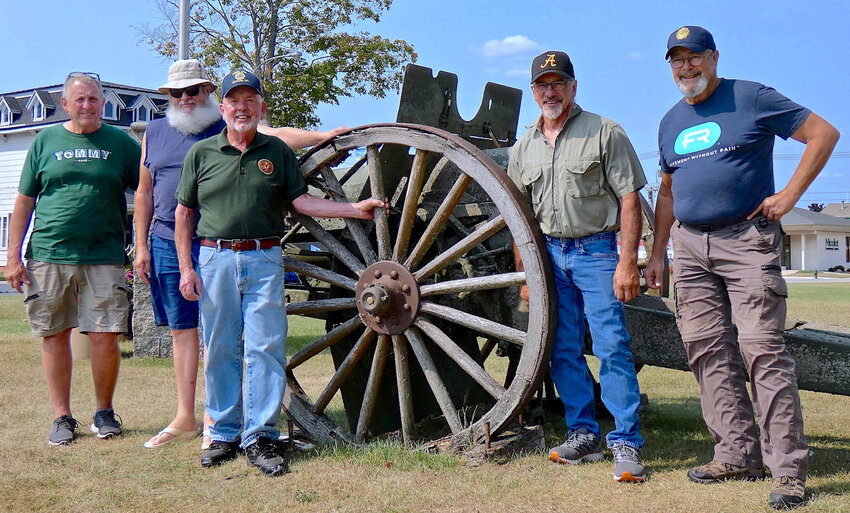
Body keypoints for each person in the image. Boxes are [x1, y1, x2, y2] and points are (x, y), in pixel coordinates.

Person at [644, 26, 839, 509]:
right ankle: (735, 453)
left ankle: (787, 471)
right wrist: (657, 252)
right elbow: (667, 194)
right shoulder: (670, 122)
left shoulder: (749, 97)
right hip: (689, 248)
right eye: (676, 61)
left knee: (762, 351)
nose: (685, 68)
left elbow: (822, 133)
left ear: (713, 57)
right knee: (707, 351)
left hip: (745, 241)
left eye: (693, 58)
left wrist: (789, 196)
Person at [175, 69, 385, 476]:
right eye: (234, 100)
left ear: (261, 107)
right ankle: (223, 434)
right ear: (223, 109)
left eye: (249, 100)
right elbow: (183, 215)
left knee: (265, 348)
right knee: (219, 348)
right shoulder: (201, 155)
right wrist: (187, 268)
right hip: (214, 258)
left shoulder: (277, 152)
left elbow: (302, 202)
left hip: (264, 258)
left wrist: (352, 209)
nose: (242, 107)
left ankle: (261, 437)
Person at [135, 59, 347, 450]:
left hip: (238, 245)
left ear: (207, 93)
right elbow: (146, 192)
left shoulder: (231, 125)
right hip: (177, 240)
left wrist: (325, 136)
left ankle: (248, 430)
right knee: (196, 335)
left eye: (193, 90)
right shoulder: (158, 133)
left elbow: (280, 139)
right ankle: (199, 421)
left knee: (255, 342)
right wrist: (144, 246)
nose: (185, 98)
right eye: (178, 92)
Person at [507, 51, 648, 482]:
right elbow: (519, 217)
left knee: (611, 346)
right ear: (533, 93)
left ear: (573, 87)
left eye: (558, 83)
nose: (550, 92)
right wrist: (526, 275)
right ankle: (582, 435)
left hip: (598, 251)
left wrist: (628, 260)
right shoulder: (523, 147)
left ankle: (626, 441)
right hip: (548, 256)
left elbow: (629, 198)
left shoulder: (604, 132)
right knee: (562, 348)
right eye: (542, 85)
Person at [6, 72, 140, 446]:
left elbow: (146, 188)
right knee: (54, 334)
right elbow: (24, 201)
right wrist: (13, 256)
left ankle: (104, 413)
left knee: (105, 335)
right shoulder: (45, 140)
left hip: (104, 255)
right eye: (79, 99)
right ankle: (61, 417)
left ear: (103, 102)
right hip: (49, 254)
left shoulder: (122, 143)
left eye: (93, 99)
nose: (87, 105)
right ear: (65, 104)